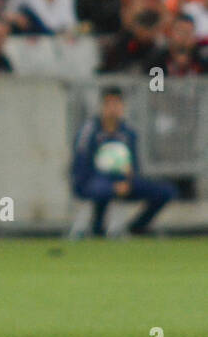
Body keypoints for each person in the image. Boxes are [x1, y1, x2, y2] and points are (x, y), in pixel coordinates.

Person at [71, 87, 175, 237]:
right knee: (103, 190)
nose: (113, 109)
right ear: (102, 106)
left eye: (117, 104)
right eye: (109, 104)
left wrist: (127, 180)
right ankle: (98, 228)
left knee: (166, 191)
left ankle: (138, 227)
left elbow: (132, 164)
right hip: (92, 181)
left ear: (122, 107)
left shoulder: (128, 133)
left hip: (123, 181)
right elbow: (81, 165)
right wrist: (112, 185)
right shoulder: (89, 131)